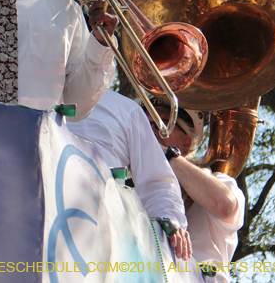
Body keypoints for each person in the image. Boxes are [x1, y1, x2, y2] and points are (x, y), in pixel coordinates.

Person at [66, 89, 192, 260]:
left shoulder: (126, 110)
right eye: (150, 124)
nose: (155, 131)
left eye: (159, 122)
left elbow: (157, 183)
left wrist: (170, 221)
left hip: (99, 231)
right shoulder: (20, 88)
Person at [145, 98, 244, 282]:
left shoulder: (217, 180)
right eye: (144, 123)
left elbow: (223, 204)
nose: (150, 130)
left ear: (185, 142)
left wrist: (168, 156)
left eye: (162, 123)